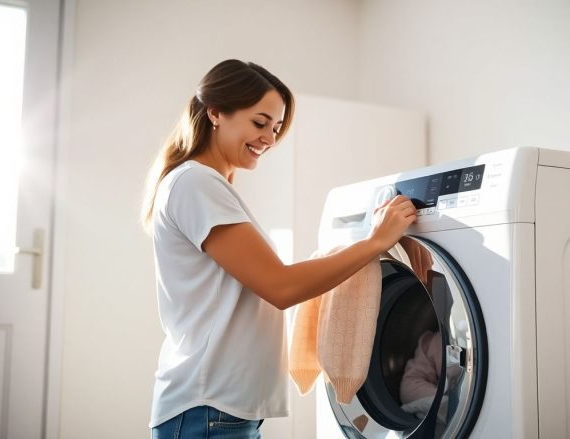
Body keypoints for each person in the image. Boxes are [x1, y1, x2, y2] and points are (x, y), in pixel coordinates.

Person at [140, 59, 417, 439]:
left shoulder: (201, 184)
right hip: (208, 408)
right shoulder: (196, 184)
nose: (269, 139)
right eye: (259, 123)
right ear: (216, 113)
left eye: (276, 127)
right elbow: (281, 287)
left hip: (218, 408)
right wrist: (374, 243)